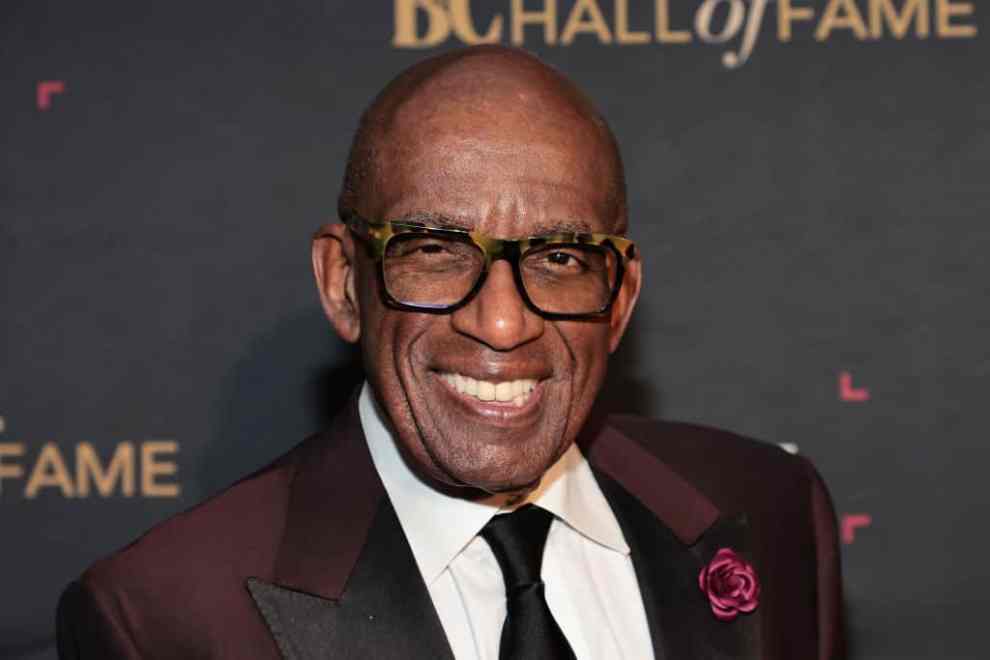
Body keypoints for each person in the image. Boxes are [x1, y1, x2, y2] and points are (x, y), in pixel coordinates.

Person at [56, 45, 845, 659]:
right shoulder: (163, 617)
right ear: (343, 283)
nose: (501, 324)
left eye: (560, 257)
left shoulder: (771, 508)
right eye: (433, 250)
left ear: (621, 298)